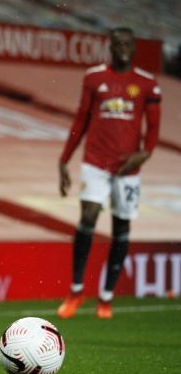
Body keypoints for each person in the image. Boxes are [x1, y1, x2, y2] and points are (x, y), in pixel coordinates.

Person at [56, 27, 162, 319]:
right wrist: (65, 159)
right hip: (96, 162)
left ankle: (106, 298)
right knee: (88, 216)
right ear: (110, 47)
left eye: (127, 43)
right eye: (117, 43)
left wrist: (145, 153)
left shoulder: (147, 83)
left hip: (128, 168)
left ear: (134, 47)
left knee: (121, 229)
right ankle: (76, 291)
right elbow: (81, 118)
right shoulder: (94, 78)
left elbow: (153, 128)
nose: (122, 48)